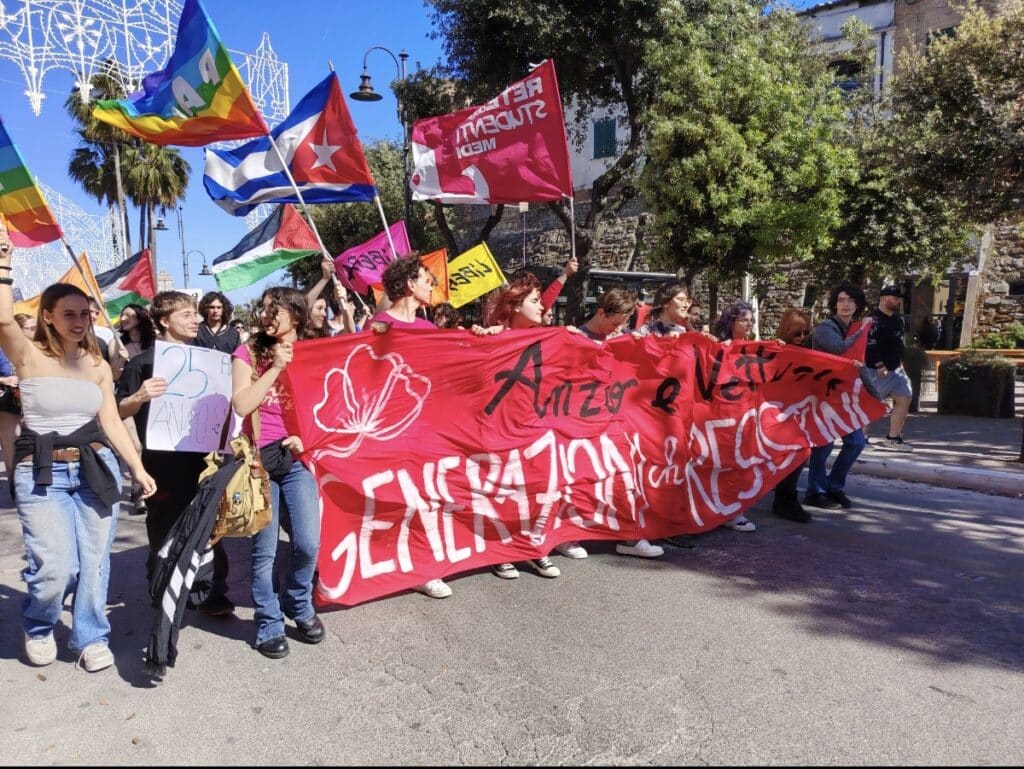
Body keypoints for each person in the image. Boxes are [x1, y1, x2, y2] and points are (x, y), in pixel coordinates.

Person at [0, 230, 156, 672]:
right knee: (55, 569)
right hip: (42, 471)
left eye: (85, 314)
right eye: (68, 314)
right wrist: (4, 263)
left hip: (96, 468)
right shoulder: (28, 356)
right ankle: (39, 624)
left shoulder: (96, 365)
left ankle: (90, 635)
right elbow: (3, 321)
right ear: (47, 316)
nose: (79, 321)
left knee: (94, 562)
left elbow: (111, 422)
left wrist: (137, 468)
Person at [116, 291, 234, 616]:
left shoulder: (210, 358)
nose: (196, 319)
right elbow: (118, 411)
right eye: (187, 314)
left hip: (205, 462)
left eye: (196, 313)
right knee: (164, 530)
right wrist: (140, 395)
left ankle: (213, 592)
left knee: (210, 526)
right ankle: (163, 591)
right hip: (162, 465)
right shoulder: (141, 364)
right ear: (165, 320)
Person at [231, 286, 323, 659]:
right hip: (257, 460)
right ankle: (268, 622)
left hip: (297, 459)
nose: (266, 315)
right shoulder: (248, 352)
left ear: (296, 317)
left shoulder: (316, 350)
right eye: (264, 309)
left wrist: (309, 438)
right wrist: (276, 369)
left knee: (307, 544)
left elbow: (328, 404)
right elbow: (241, 404)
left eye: (275, 310)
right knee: (264, 550)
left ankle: (297, 603)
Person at [369, 256, 454, 600]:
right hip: (389, 430)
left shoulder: (431, 330)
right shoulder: (380, 326)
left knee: (427, 498)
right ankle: (386, 558)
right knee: (394, 501)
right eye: (426, 280)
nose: (431, 286)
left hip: (426, 429)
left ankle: (423, 568)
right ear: (409, 285)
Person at [472, 273, 566, 579]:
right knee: (505, 492)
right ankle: (502, 549)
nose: (543, 308)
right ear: (514, 307)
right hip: (499, 428)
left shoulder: (550, 338)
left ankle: (535, 547)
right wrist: (478, 338)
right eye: (536, 302)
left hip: (534, 427)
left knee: (541, 489)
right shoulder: (493, 338)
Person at [577, 288, 667, 559]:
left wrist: (636, 345)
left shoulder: (621, 338)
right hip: (580, 423)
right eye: (615, 323)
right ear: (601, 312)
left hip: (613, 421)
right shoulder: (577, 338)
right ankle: (571, 535)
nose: (617, 329)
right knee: (580, 480)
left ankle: (629, 537)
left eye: (622, 324)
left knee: (625, 476)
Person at [805, 283, 872, 510]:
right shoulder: (825, 327)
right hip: (824, 395)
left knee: (856, 443)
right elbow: (840, 350)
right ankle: (815, 491)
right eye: (842, 300)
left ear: (857, 305)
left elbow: (859, 366)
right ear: (835, 303)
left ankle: (834, 486)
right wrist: (863, 331)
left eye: (851, 301)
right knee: (823, 445)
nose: (846, 304)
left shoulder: (852, 329)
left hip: (843, 397)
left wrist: (876, 396)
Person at [712, 300, 757, 533]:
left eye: (750, 319)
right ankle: (722, 509)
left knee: (741, 463)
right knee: (723, 463)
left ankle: (732, 510)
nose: (748, 324)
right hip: (723, 414)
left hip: (746, 414)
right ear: (731, 322)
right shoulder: (720, 348)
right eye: (743, 320)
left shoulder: (756, 348)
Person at [769, 309, 813, 522]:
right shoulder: (775, 349)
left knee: (800, 452)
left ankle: (786, 497)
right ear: (787, 331)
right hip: (774, 414)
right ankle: (784, 499)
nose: (802, 338)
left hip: (794, 413)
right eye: (797, 333)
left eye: (805, 333)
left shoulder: (805, 352)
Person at [865, 286, 914, 452]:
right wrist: (879, 364)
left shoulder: (898, 319)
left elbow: (899, 342)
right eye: (896, 298)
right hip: (876, 369)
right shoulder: (873, 319)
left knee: (905, 397)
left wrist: (900, 363)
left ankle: (893, 438)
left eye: (899, 298)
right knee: (869, 403)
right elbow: (869, 344)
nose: (899, 301)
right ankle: (861, 439)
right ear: (885, 298)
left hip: (896, 369)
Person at [370, 254, 438, 330]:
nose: (431, 288)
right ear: (411, 285)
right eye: (427, 282)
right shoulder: (377, 327)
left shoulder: (429, 329)